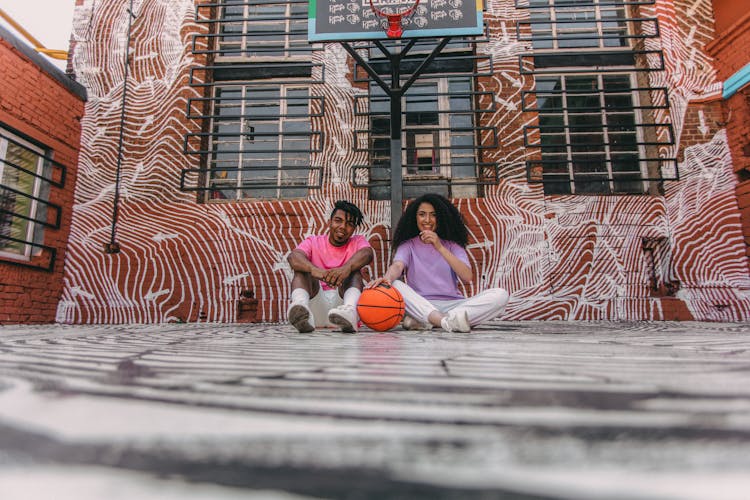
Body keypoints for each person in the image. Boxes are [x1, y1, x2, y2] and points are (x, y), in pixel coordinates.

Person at [369, 193, 509, 332]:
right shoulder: (408, 246)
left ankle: (435, 321)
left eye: (433, 215)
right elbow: (398, 265)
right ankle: (447, 321)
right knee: (395, 284)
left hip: (454, 304)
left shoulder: (453, 246)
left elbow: (467, 276)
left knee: (501, 295)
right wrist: (387, 278)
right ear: (415, 218)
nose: (427, 220)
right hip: (422, 305)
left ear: (440, 218)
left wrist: (439, 246)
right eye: (422, 214)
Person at [287, 200, 374, 333]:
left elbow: (368, 254)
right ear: (330, 222)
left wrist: (346, 268)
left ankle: (350, 311)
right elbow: (293, 257)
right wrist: (315, 271)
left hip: (341, 311)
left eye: (349, 224)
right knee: (302, 269)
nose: (343, 227)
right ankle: (300, 310)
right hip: (315, 308)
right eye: (338, 220)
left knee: (354, 272)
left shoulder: (358, 241)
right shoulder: (313, 241)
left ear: (354, 229)